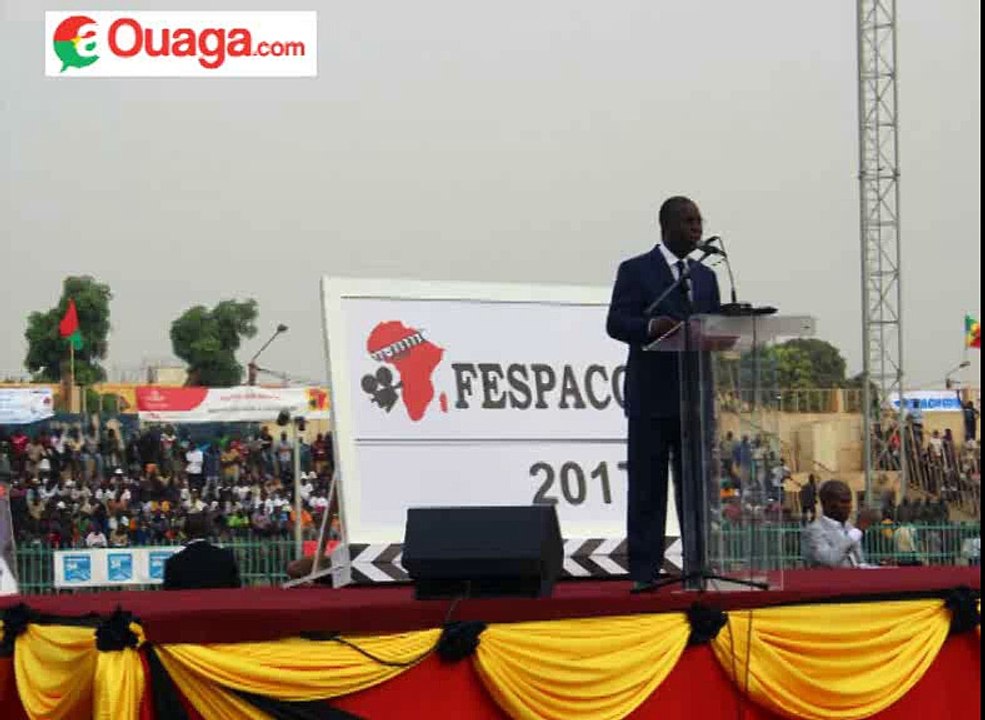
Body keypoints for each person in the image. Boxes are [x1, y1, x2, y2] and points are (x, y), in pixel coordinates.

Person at [606, 195, 721, 592]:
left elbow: (715, 327)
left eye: (699, 221)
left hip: (694, 399)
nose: (697, 228)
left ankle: (699, 566)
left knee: (695, 489)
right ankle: (643, 571)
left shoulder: (706, 277)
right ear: (666, 225)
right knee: (647, 487)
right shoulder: (636, 270)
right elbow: (616, 322)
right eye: (689, 221)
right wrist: (652, 325)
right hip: (651, 398)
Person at [802, 480, 875, 568]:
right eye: (843, 502)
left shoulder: (849, 528)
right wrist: (856, 532)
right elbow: (828, 561)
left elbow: (859, 562)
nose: (849, 506)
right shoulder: (814, 530)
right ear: (827, 503)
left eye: (849, 501)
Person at [163, 512, 241, 590]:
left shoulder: (174, 562)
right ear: (208, 531)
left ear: (185, 533)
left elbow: (169, 597)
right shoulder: (226, 558)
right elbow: (236, 591)